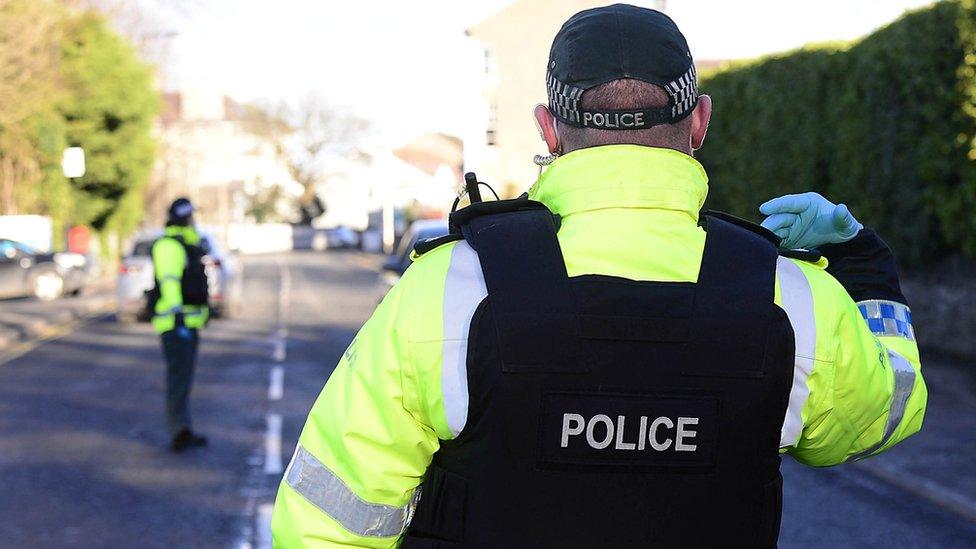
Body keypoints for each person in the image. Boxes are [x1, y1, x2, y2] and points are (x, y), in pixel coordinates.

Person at [272, 5, 927, 547]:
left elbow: (325, 523)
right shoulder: (792, 299)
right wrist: (866, 267)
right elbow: (886, 414)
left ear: (549, 128)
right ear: (698, 121)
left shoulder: (451, 291)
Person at [151, 197, 210, 452]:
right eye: (191, 216)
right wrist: (179, 320)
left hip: (187, 323)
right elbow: (170, 282)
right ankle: (177, 431)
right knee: (178, 381)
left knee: (184, 381)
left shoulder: (187, 242)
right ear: (184, 217)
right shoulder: (169, 246)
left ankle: (184, 429)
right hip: (177, 326)